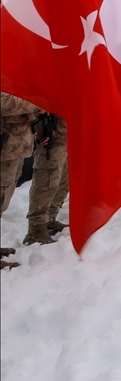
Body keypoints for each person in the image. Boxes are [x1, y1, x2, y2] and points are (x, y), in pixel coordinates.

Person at [1, 93, 41, 268]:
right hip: (4, 148)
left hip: (14, 148)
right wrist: (37, 101)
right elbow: (6, 103)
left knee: (3, 200)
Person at [23, 112, 68, 246]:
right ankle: (36, 228)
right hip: (52, 130)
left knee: (63, 180)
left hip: (68, 130)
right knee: (47, 180)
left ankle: (50, 218)